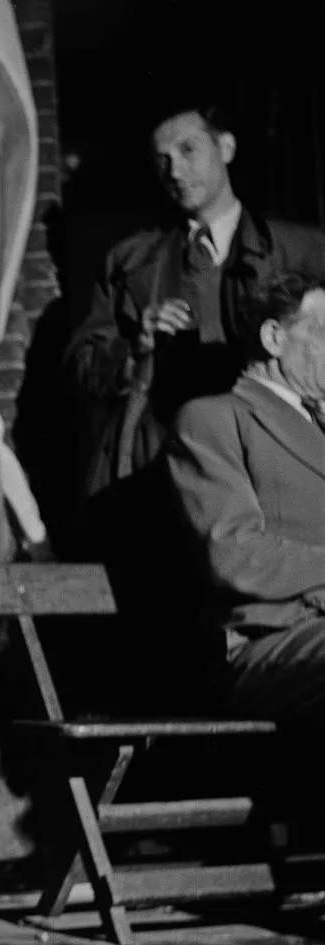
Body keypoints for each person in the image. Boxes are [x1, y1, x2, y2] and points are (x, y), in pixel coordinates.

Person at [65, 102, 325, 509]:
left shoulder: (303, 250)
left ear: (227, 147)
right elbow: (82, 367)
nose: (175, 171)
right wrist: (136, 345)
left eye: (188, 150)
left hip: (281, 451)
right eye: (162, 160)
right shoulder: (130, 263)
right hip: (169, 457)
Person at [165, 271, 325, 727]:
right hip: (271, 642)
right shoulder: (214, 419)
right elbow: (234, 552)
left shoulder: (318, 426)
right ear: (274, 337)